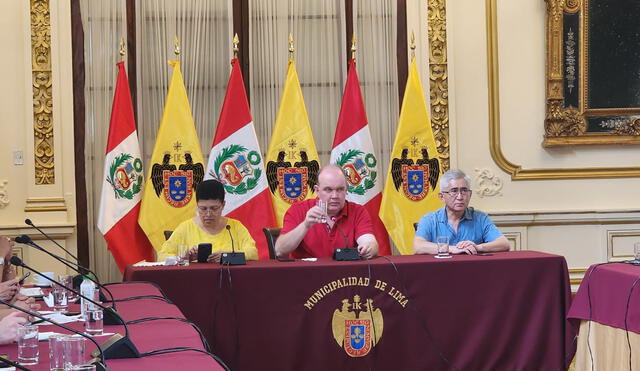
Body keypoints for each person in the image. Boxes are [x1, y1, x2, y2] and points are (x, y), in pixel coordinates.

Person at [275, 165, 378, 259]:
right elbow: (280, 251)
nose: (335, 196)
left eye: (340, 189)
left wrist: (368, 248)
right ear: (317, 190)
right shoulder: (297, 210)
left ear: (346, 190)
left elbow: (369, 242)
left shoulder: (358, 211)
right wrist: (305, 225)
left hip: (346, 276)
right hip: (307, 275)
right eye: (328, 190)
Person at [159, 179, 258, 263]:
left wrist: (227, 256)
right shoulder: (185, 228)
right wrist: (183, 257)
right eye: (203, 209)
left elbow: (253, 253)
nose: (208, 214)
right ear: (197, 205)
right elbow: (162, 256)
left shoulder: (234, 227)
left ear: (223, 205)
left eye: (214, 208)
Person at [413, 169, 509, 255]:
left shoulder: (480, 218)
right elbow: (418, 247)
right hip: (440, 272)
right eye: (454, 191)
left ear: (470, 194)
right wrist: (452, 249)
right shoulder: (429, 220)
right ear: (442, 197)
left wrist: (477, 247)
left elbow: (504, 243)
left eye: (464, 191)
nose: (460, 197)